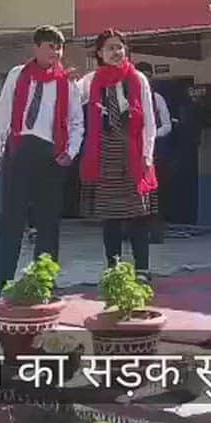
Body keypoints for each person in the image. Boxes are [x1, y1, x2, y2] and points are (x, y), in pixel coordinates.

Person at [0, 26, 84, 296]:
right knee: (10, 220)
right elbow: (2, 114)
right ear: (36, 48)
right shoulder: (18, 75)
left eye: (59, 48)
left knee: (48, 223)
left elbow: (76, 122)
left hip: (51, 155)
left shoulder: (67, 82)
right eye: (50, 47)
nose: (55, 53)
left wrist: (70, 153)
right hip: (20, 150)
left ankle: (43, 282)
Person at [79, 30, 158, 279]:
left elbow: (149, 120)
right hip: (105, 151)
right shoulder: (89, 82)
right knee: (110, 216)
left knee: (138, 214)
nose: (116, 52)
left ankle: (142, 269)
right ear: (99, 54)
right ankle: (113, 269)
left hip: (133, 151)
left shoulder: (137, 79)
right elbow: (71, 106)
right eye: (110, 48)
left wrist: (148, 153)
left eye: (120, 47)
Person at [135, 62, 172, 243]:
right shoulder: (126, 97)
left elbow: (167, 125)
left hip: (153, 152)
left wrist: (150, 135)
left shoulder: (157, 98)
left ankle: (155, 232)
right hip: (131, 152)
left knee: (155, 194)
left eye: (148, 75)